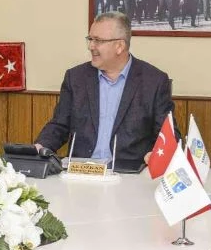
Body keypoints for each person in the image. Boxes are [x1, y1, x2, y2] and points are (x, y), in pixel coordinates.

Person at [34, 12, 174, 165]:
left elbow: (167, 135)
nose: (91, 46)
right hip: (81, 170)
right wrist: (39, 147)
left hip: (128, 172)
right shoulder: (75, 78)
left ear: (119, 46)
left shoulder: (154, 81)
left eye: (98, 40)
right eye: (90, 39)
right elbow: (59, 125)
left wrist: (156, 155)